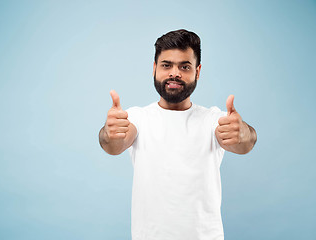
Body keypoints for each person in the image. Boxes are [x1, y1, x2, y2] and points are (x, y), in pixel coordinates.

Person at [99, 29, 257, 240]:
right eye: (166, 65)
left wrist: (243, 133)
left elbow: (244, 143)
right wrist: (110, 133)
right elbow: (113, 145)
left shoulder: (213, 119)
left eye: (185, 66)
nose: (175, 73)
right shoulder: (137, 118)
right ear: (154, 69)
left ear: (197, 72)